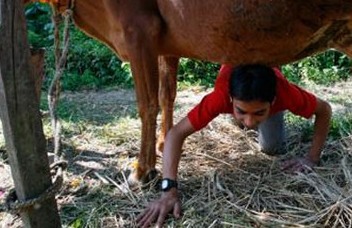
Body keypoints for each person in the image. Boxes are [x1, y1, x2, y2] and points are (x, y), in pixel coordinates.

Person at [137, 64, 332, 228]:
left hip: (269, 85)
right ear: (231, 99)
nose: (249, 122)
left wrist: (312, 158)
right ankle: (243, 115)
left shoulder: (285, 93)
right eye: (241, 111)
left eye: (258, 112)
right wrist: (168, 190)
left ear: (273, 101)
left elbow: (324, 110)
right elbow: (174, 134)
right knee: (243, 120)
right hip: (232, 87)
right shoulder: (220, 97)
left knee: (272, 148)